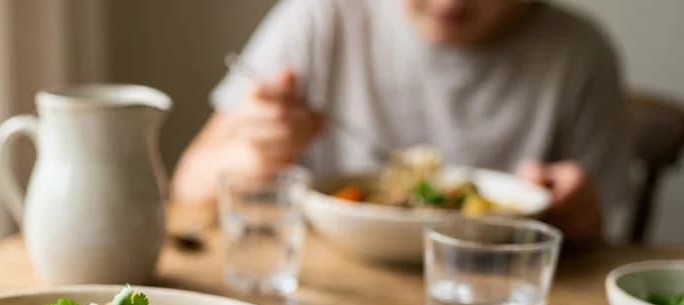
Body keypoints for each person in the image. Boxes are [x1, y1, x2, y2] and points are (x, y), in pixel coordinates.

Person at [172, 0, 630, 241]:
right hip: (329, 301)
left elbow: (602, 236)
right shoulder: (321, 14)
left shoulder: (581, 53)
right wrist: (258, 153)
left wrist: (577, 213)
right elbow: (188, 188)